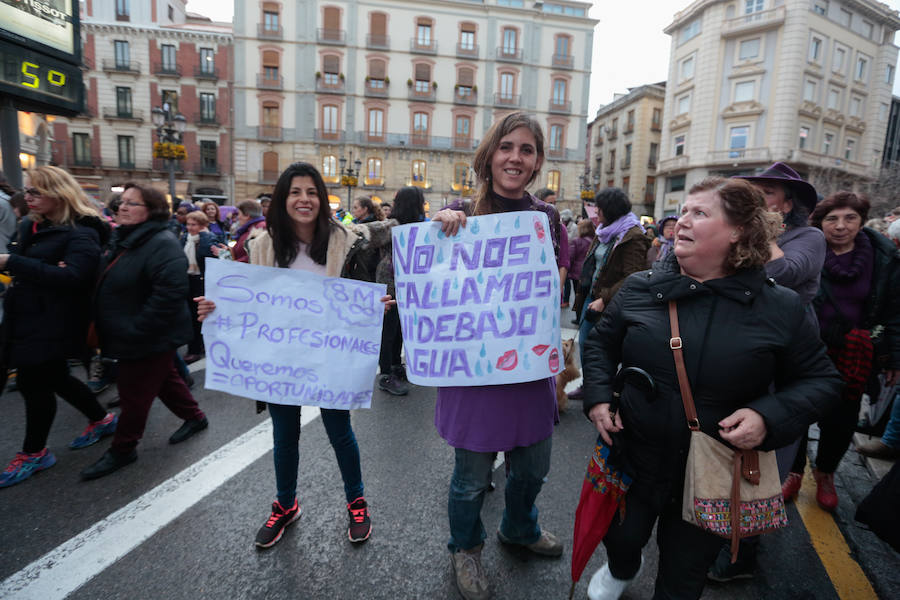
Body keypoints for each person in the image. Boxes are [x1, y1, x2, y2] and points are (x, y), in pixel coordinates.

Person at [581, 177, 842, 600]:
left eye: (699, 213)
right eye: (682, 211)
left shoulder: (780, 307)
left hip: (713, 474)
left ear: (739, 230)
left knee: (684, 577)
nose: (681, 221)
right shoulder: (640, 289)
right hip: (633, 458)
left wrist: (767, 416)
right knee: (621, 540)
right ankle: (622, 567)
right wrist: (596, 398)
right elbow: (601, 345)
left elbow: (823, 382)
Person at [195, 162, 395, 549]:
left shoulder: (346, 243)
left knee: (341, 433)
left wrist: (373, 307)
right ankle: (285, 504)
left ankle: (356, 501)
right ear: (283, 199)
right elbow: (245, 298)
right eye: (295, 192)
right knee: (284, 436)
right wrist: (215, 308)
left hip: (331, 360)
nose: (304, 200)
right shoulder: (262, 245)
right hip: (280, 360)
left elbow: (360, 293)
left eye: (311, 192)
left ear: (321, 198)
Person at [430, 112, 565, 600]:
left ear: (536, 164)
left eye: (526, 150)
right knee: (471, 480)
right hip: (474, 374)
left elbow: (554, 290)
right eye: (507, 146)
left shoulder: (547, 220)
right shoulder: (458, 214)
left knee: (532, 469)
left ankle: (519, 528)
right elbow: (430, 287)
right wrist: (440, 230)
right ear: (490, 155)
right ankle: (465, 549)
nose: (516, 157)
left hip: (528, 370)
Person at [80, 183, 208, 480]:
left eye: (131, 203)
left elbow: (168, 295)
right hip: (130, 331)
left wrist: (135, 330)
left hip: (146, 336)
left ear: (151, 211)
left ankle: (123, 448)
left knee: (134, 395)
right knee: (165, 380)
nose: (122, 207)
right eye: (122, 202)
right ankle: (195, 417)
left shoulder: (161, 243)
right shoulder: (126, 238)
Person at [782, 191, 900, 511]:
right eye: (831, 219)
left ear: (862, 221)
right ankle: (792, 471)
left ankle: (826, 473)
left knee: (841, 418)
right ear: (819, 223)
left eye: (850, 218)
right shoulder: (805, 250)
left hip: (853, 351)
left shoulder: (883, 255)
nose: (840, 226)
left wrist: (892, 356)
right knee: (796, 411)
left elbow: (893, 309)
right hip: (805, 345)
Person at [0, 166, 117, 488]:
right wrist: (42, 268)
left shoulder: (82, 232)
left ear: (59, 194)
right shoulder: (30, 226)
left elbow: (73, 277)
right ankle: (102, 419)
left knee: (33, 383)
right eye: (27, 191)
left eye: (36, 191)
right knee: (56, 379)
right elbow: (49, 272)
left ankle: (34, 452)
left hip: (55, 321)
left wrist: (14, 264)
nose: (28, 197)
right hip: (25, 315)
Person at [568, 188, 649, 401]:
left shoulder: (633, 235)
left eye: (599, 208)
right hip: (592, 296)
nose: (596, 212)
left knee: (606, 349)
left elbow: (633, 275)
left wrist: (605, 299)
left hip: (612, 302)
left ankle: (605, 391)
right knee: (586, 344)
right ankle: (590, 386)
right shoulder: (603, 229)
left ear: (610, 209)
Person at [375, 186, 425, 396]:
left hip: (407, 283)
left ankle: (396, 365)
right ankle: (385, 374)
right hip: (390, 283)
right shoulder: (393, 225)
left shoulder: (417, 225)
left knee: (400, 329)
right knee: (387, 330)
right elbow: (370, 236)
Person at [181, 211, 218, 363]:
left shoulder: (208, 238)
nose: (190, 228)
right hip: (188, 279)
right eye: (188, 224)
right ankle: (196, 346)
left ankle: (196, 349)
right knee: (190, 317)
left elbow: (206, 255)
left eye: (194, 224)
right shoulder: (185, 238)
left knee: (200, 317)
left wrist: (203, 236)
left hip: (202, 281)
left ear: (202, 226)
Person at [534, 188, 571, 308]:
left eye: (555, 204)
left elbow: (564, 263)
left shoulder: (560, 228)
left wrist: (558, 291)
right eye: (550, 203)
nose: (553, 207)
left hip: (549, 286)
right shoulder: (526, 224)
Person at [569, 218, 596, 322]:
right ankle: (585, 316)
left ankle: (579, 317)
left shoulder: (577, 241)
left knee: (578, 295)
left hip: (577, 273)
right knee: (586, 295)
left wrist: (568, 270)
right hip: (590, 272)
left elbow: (571, 257)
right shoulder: (594, 241)